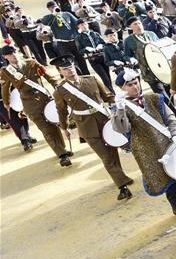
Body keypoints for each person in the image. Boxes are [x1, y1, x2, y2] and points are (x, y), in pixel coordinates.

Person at [110, 68, 176, 237]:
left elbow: (170, 119)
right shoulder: (119, 109)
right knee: (171, 190)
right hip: (148, 155)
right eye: (129, 85)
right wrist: (120, 108)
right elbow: (122, 129)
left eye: (136, 82)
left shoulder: (154, 98)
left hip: (168, 147)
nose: (135, 87)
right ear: (123, 89)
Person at [51, 56, 134, 200]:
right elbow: (61, 110)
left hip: (104, 120)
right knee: (106, 157)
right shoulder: (60, 90)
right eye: (65, 68)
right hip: (86, 126)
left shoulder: (91, 79)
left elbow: (108, 96)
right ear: (60, 71)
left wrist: (124, 104)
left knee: (112, 152)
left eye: (70, 66)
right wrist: (64, 128)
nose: (70, 69)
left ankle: (120, 176)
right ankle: (122, 185)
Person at [0, 45, 71, 166]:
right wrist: (6, 103)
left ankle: (61, 148)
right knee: (46, 129)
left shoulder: (31, 63)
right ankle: (62, 154)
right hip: (29, 103)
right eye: (10, 54)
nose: (14, 55)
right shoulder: (5, 71)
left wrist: (59, 86)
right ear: (5, 57)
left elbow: (47, 75)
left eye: (15, 52)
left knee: (53, 125)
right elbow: (5, 88)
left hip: (44, 98)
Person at [40, 1, 88, 74]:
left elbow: (76, 22)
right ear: (49, 9)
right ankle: (79, 76)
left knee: (81, 59)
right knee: (70, 61)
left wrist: (83, 25)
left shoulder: (66, 14)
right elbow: (44, 21)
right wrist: (53, 14)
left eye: (55, 6)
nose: (54, 8)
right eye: (52, 7)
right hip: (62, 43)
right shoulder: (50, 18)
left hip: (74, 41)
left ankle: (86, 75)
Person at [74, 18, 113, 91]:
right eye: (82, 25)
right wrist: (87, 49)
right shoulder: (78, 38)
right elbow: (80, 51)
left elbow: (104, 44)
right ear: (78, 27)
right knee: (104, 77)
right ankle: (112, 93)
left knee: (108, 76)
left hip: (102, 57)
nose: (84, 26)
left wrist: (101, 46)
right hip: (93, 59)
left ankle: (110, 91)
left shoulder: (95, 33)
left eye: (85, 24)